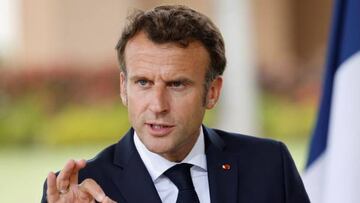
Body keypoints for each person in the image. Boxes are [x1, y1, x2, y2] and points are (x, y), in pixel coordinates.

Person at [41, 5, 310, 203]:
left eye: (177, 84)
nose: (158, 105)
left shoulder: (270, 165)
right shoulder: (79, 191)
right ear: (124, 88)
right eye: (143, 83)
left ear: (212, 92)